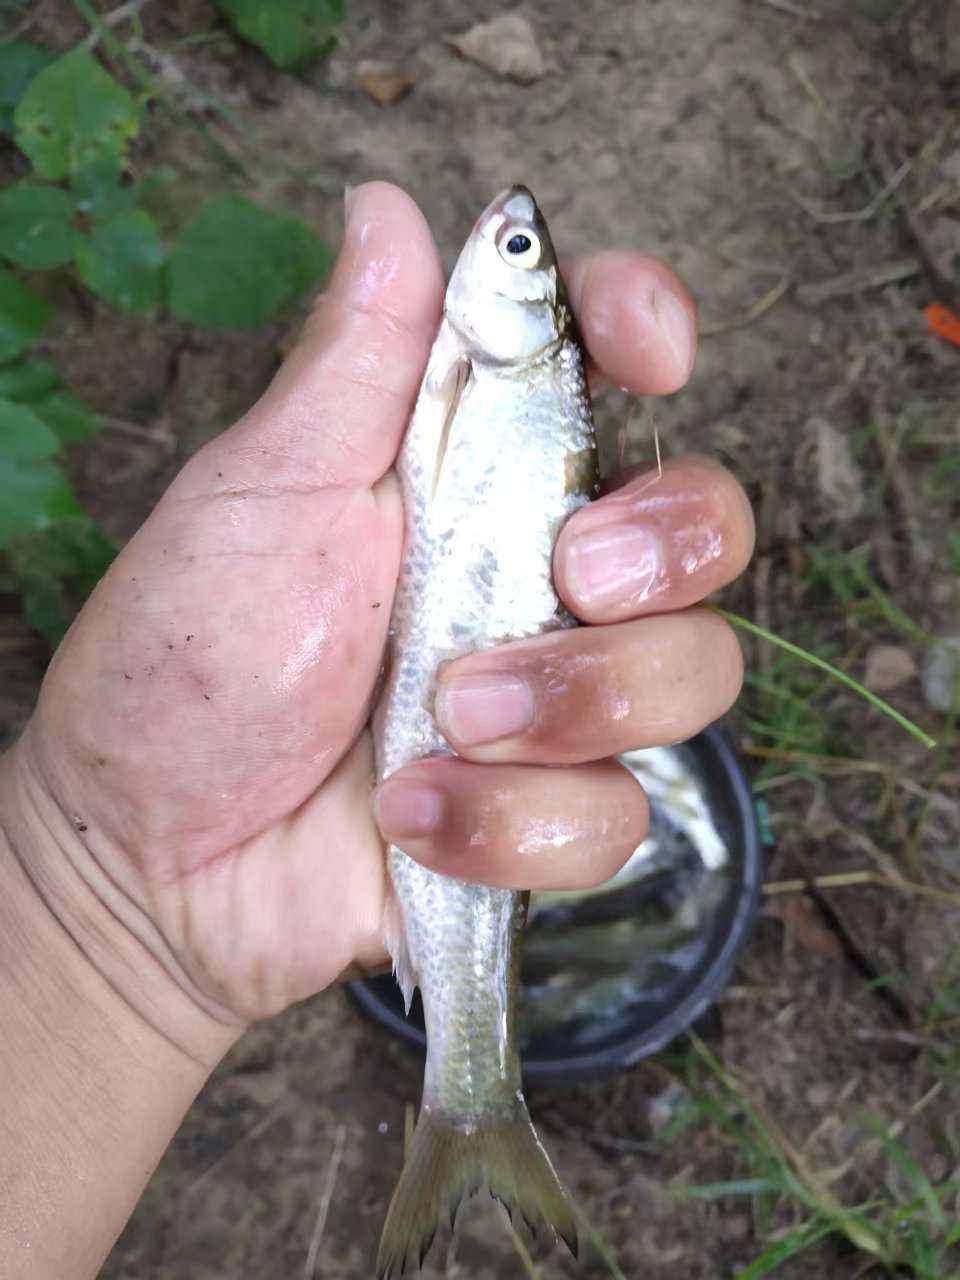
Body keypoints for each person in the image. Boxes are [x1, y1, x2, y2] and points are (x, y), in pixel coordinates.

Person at [0, 182, 754, 1279]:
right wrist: (95, 902)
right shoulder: (487, 362)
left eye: (515, 244)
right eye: (519, 241)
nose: (500, 235)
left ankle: (473, 1094)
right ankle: (472, 1099)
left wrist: (104, 922)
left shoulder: (506, 368)